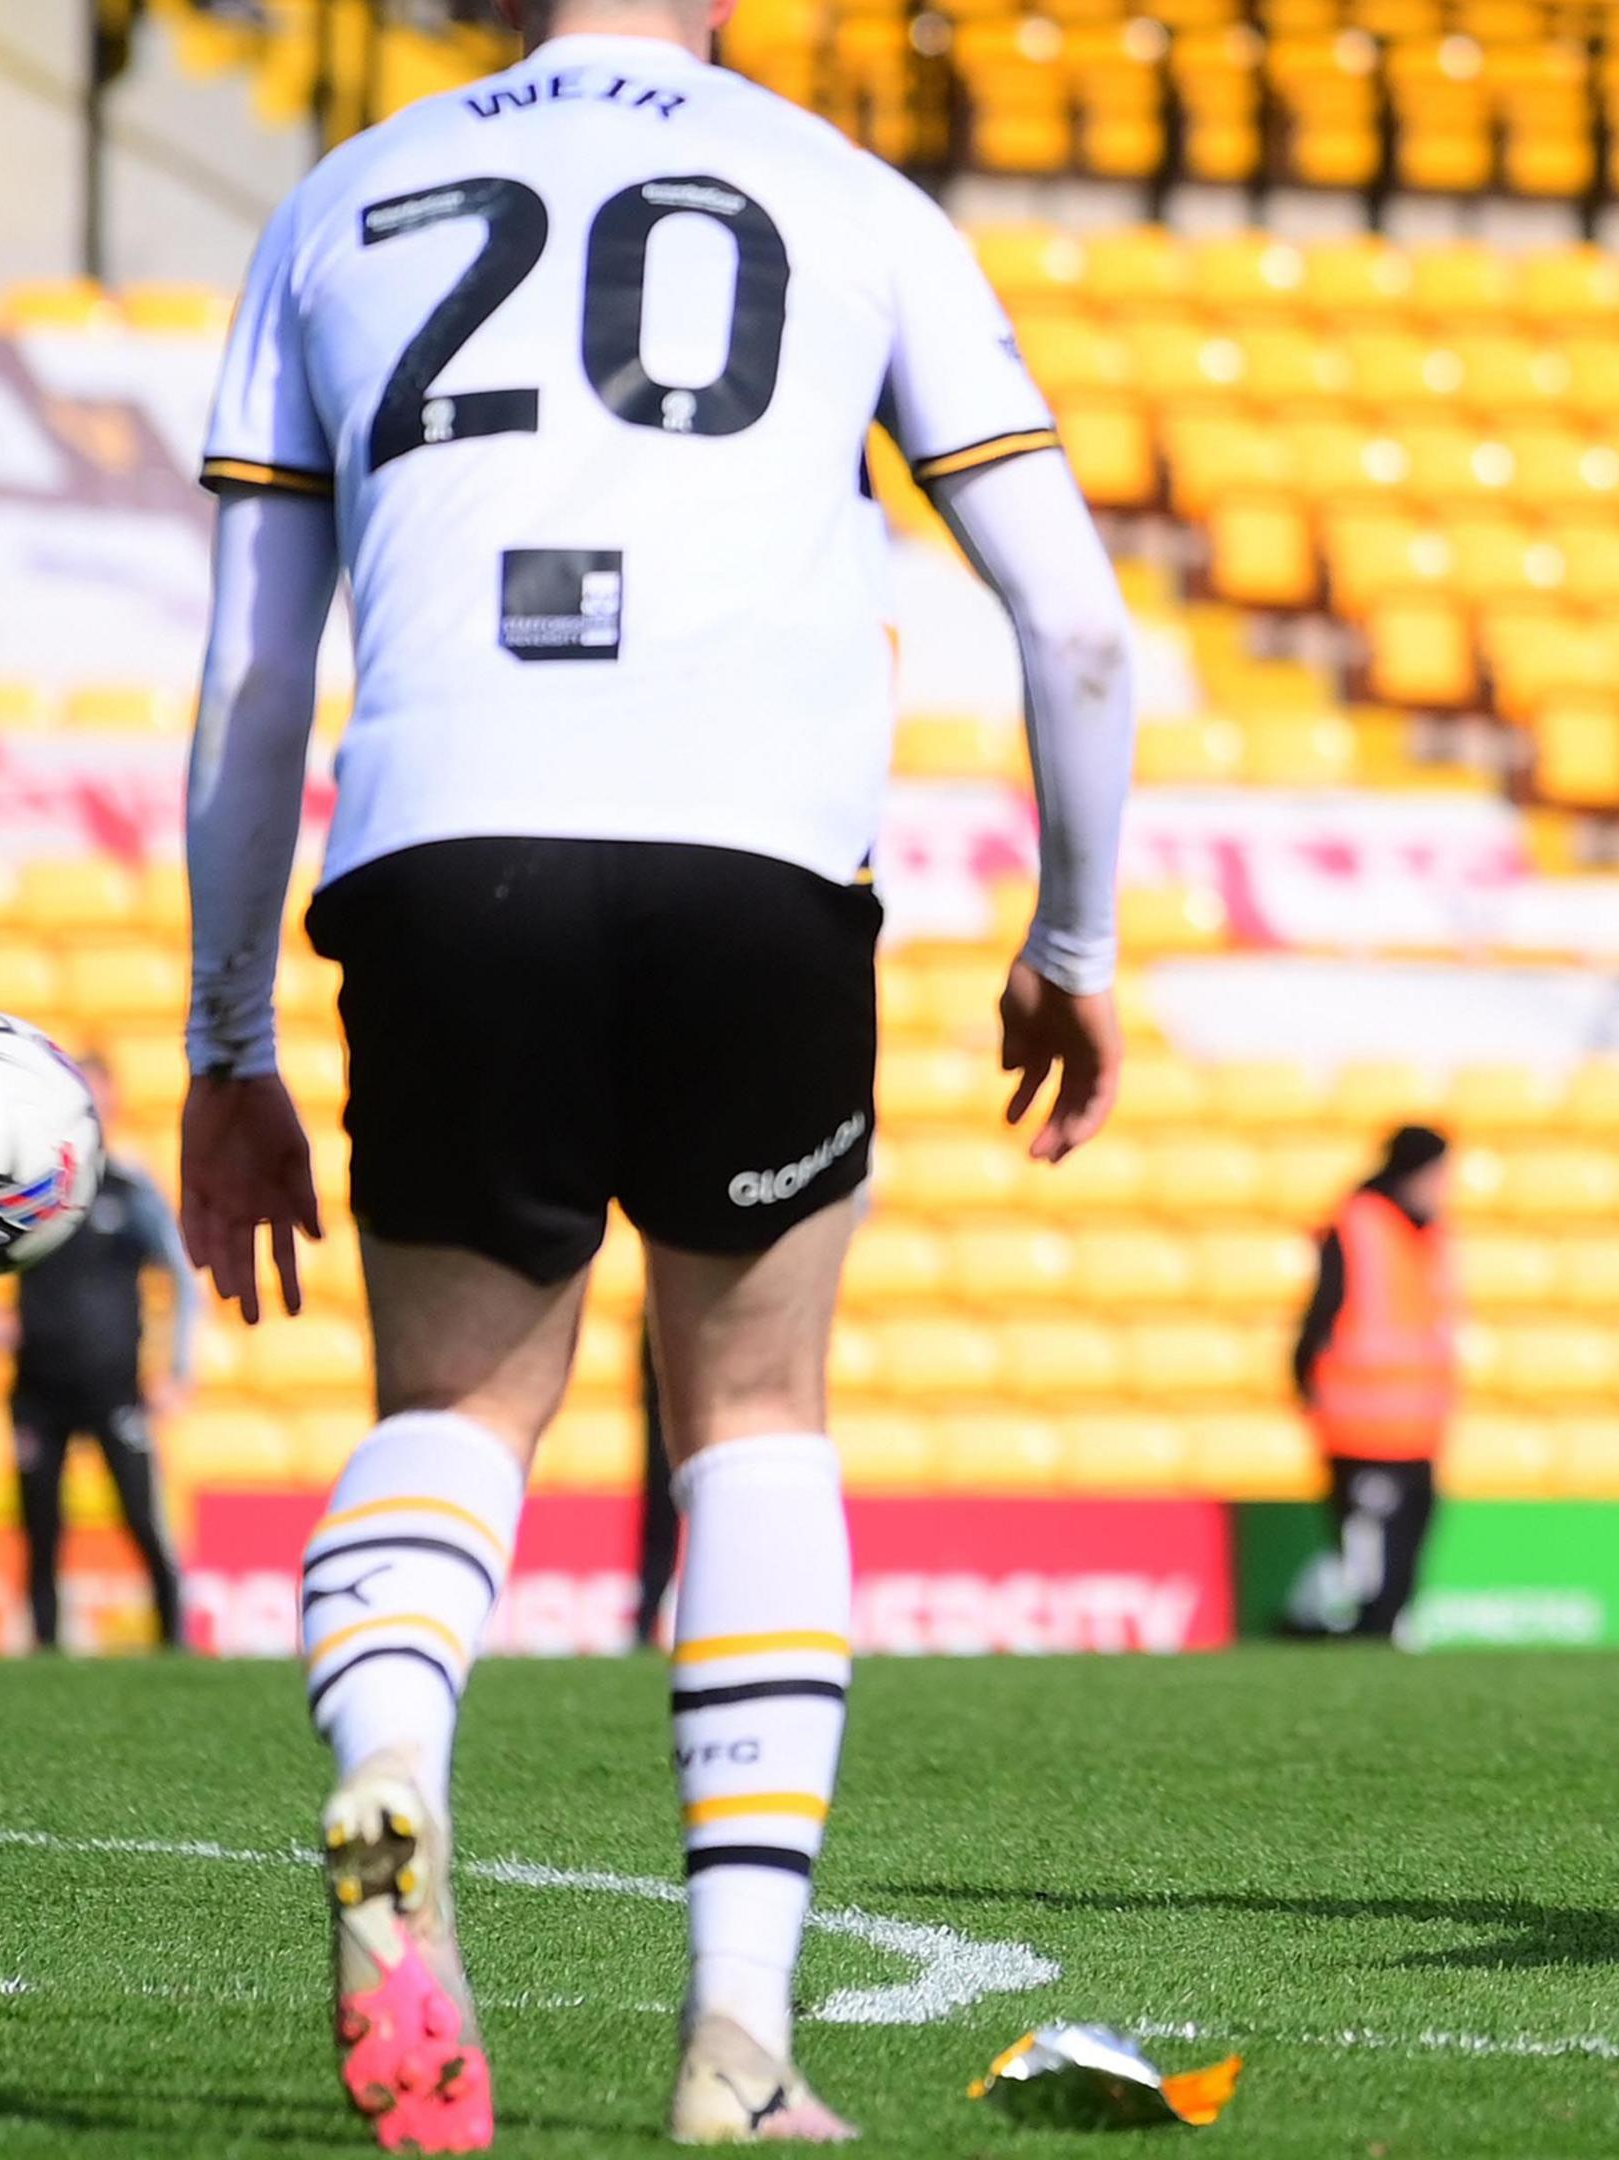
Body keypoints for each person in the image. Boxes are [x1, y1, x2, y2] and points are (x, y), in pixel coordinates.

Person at [177, 0, 1136, 2138]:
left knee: (454, 1414)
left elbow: (253, 680)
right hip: (752, 862)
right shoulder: (853, 195)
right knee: (758, 1422)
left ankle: (396, 1766)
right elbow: (1076, 628)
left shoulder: (336, 200)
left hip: (443, 840)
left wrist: (224, 1038)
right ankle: (739, 2043)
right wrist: (1070, 946)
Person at [0, 1053, 198, 1653]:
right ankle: (44, 1651)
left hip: (115, 1386)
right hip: (38, 1387)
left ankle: (176, 1646)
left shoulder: (130, 1190)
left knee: (142, 1520)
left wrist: (179, 1368)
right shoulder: (26, 1188)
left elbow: (183, 1278)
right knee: (40, 1530)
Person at [1289, 1125, 1456, 1643]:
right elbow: (1323, 1311)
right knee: (1369, 1550)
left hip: (1418, 1425)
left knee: (1406, 1545)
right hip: (1360, 1421)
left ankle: (1385, 1628)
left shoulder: (1429, 1232)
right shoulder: (1358, 1224)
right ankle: (1359, 1631)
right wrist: (1303, 1376)